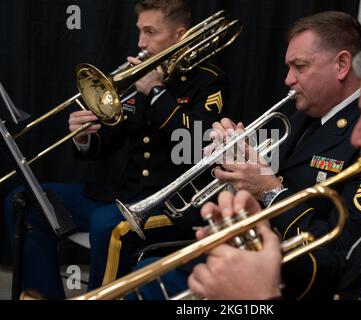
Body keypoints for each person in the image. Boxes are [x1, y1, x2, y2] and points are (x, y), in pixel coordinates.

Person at [188, 21, 361, 300]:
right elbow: (347, 271)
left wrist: (260, 300)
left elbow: (335, 262)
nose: (358, 138)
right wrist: (258, 221)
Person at [3, 0, 229, 299]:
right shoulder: (139, 78)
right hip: (125, 194)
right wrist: (85, 136)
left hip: (176, 205)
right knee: (23, 200)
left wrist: (158, 93)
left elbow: (199, 145)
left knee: (108, 225)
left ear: (180, 35)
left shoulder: (209, 80)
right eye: (139, 32)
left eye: (150, 32)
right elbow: (110, 142)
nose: (140, 43)